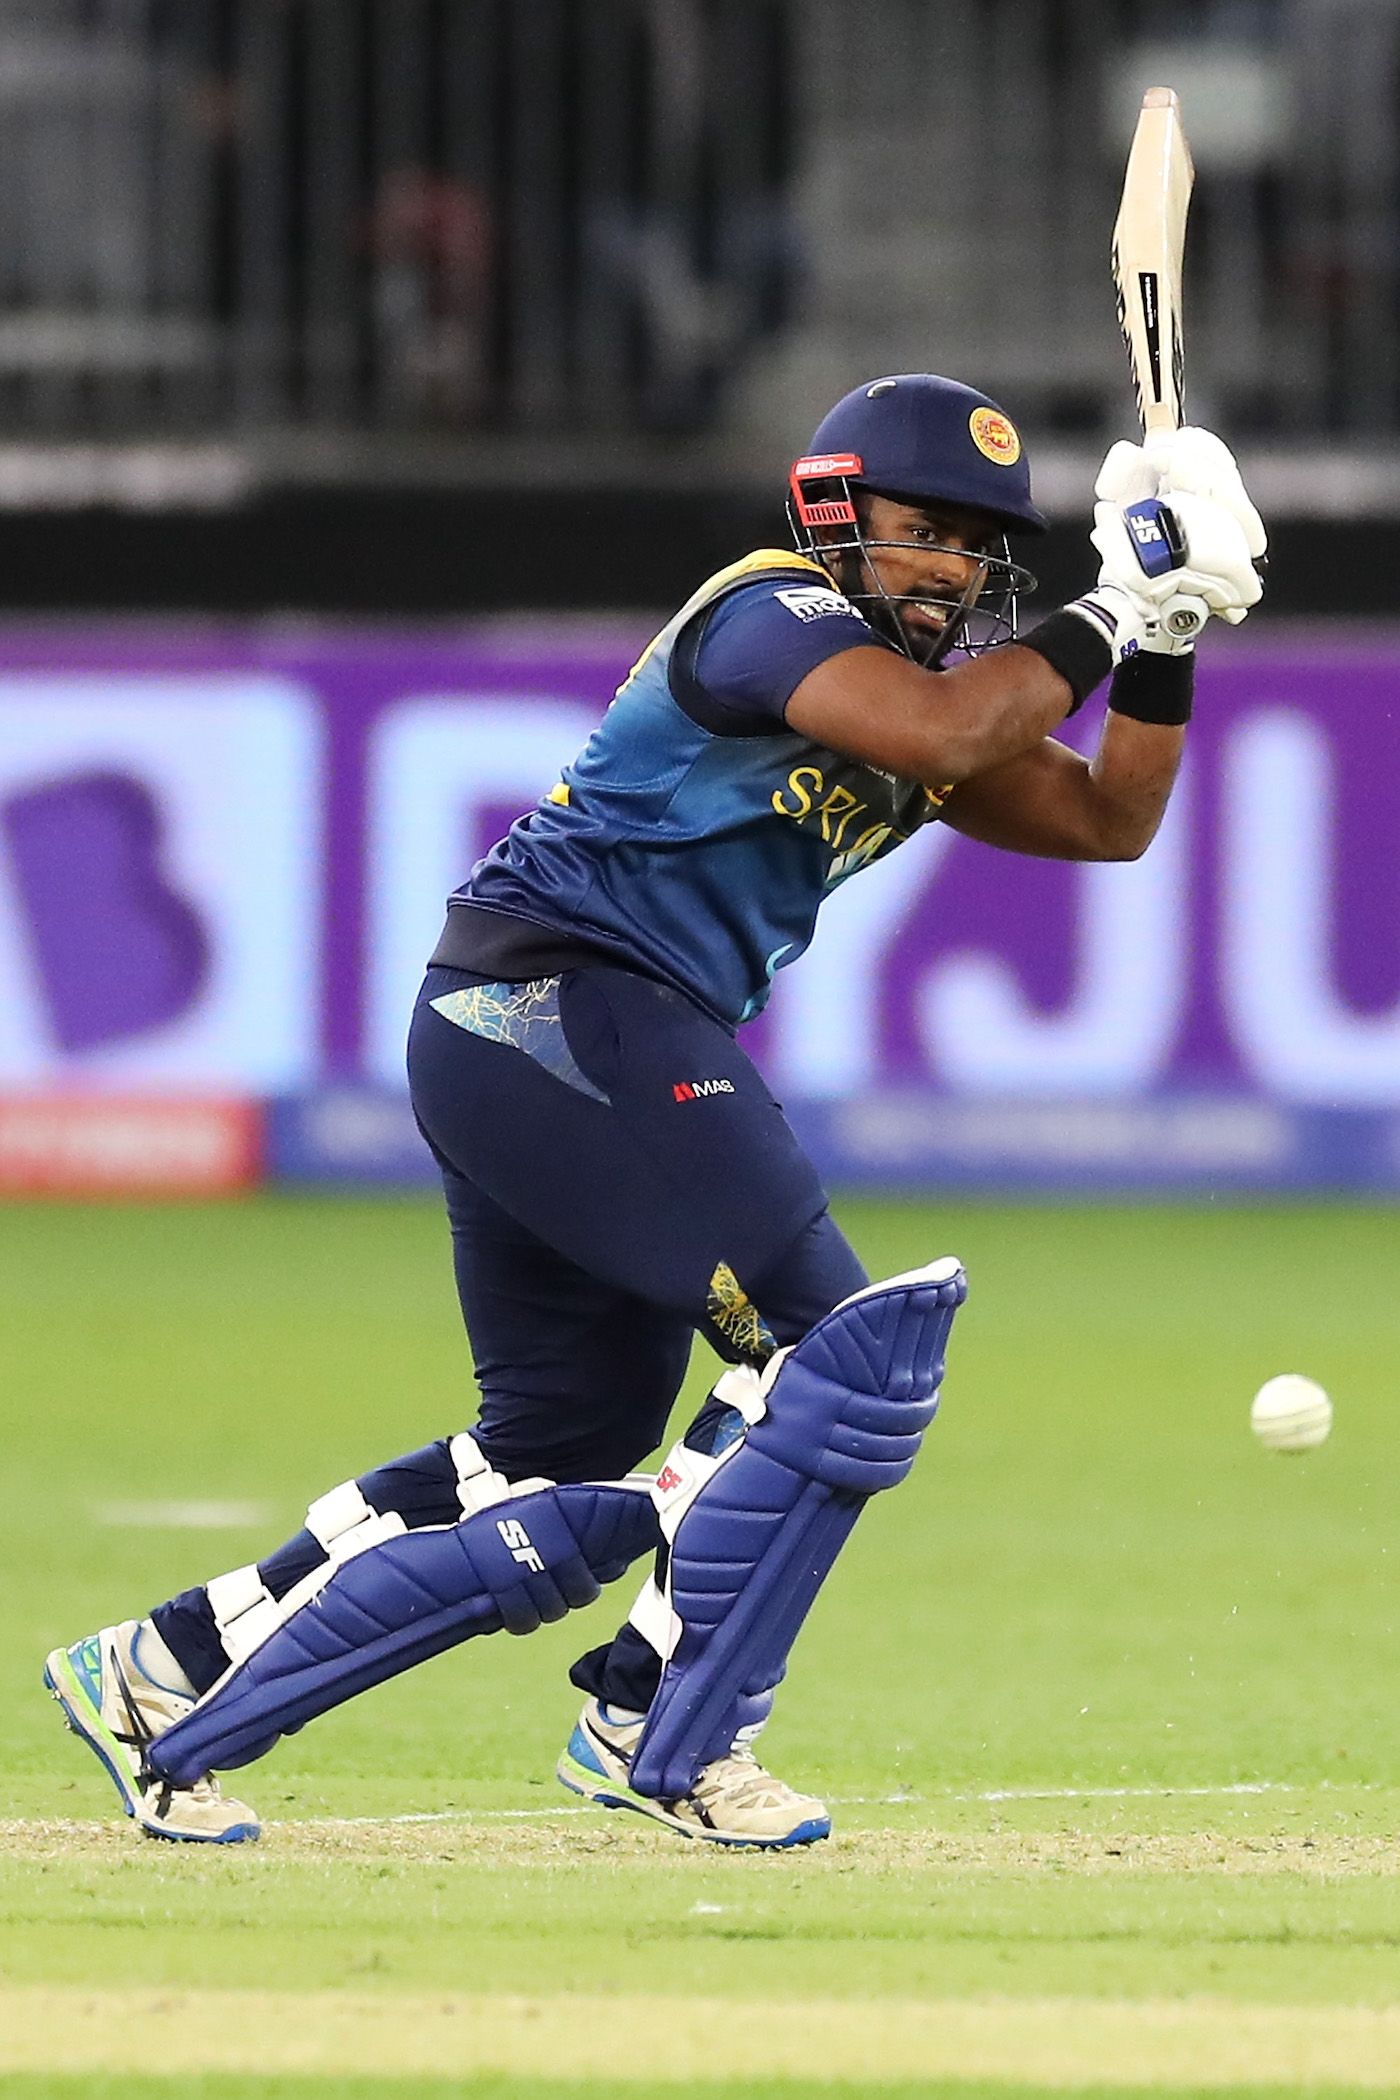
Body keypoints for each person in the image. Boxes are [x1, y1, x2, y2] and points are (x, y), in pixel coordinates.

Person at [44, 375, 1265, 1849]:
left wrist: (1175, 632)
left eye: (973, 543)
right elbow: (946, 738)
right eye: (921, 527)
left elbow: (1110, 821)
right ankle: (662, 1720)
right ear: (833, 511)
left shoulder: (921, 690)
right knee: (836, 1350)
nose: (949, 565)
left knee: (553, 1450)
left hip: (535, 1033)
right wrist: (1115, 609)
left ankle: (161, 1667)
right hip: (565, 1006)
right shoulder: (774, 615)